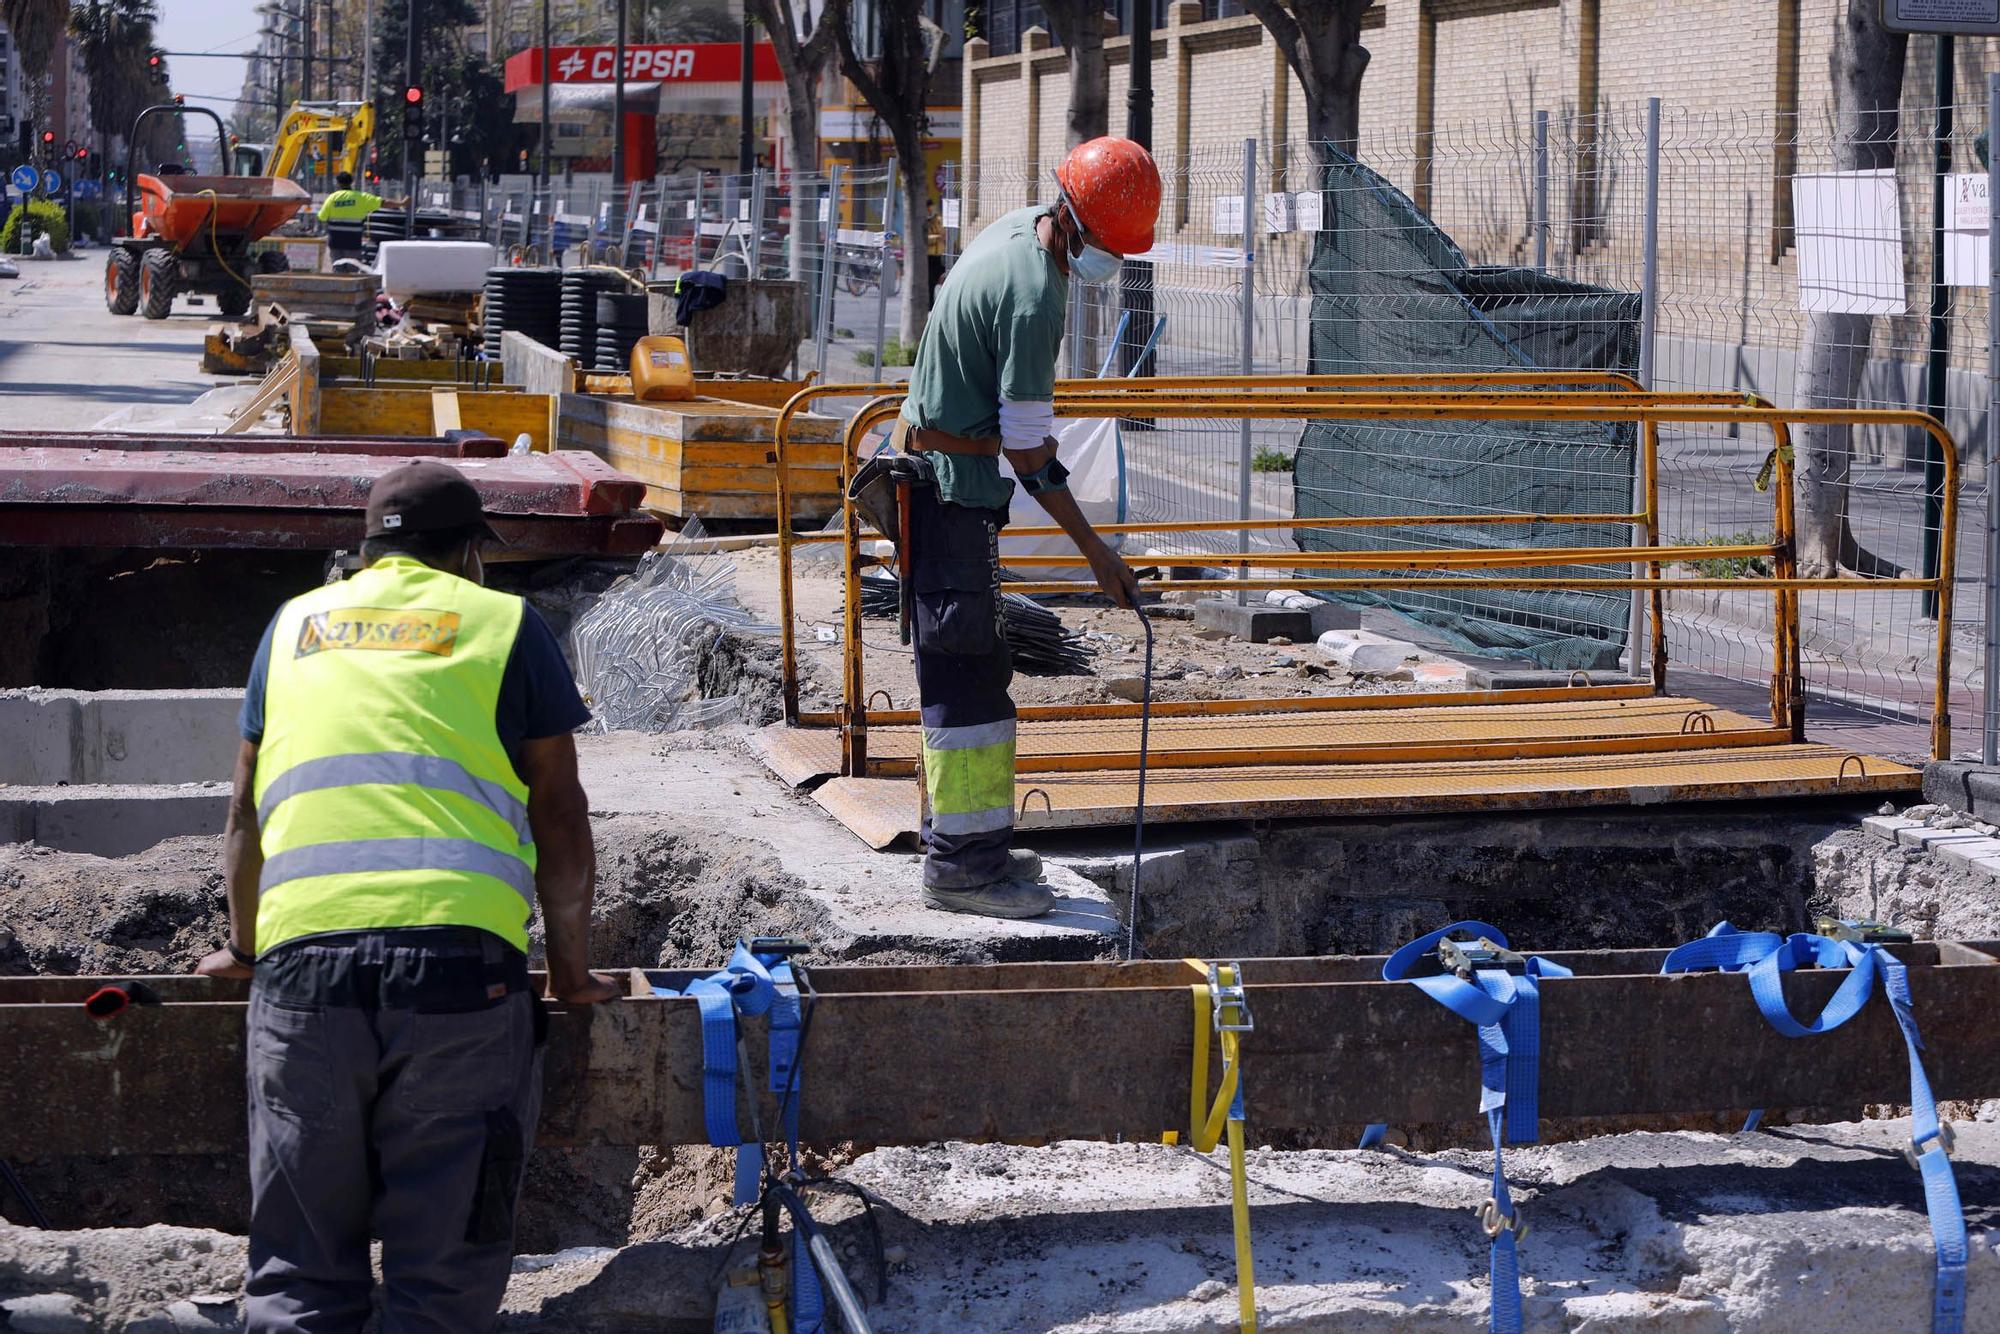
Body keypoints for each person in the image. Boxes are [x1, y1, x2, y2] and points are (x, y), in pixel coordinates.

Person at [194, 461, 622, 1333]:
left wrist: (245, 950)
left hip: (303, 981)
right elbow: (559, 811)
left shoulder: (291, 627)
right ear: (468, 552)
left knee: (300, 1278)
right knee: (444, 1279)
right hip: (461, 979)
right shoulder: (505, 623)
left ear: (365, 550)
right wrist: (570, 973)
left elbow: (243, 808)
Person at [891, 135, 1160, 920]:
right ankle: (963, 869)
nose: (1111, 262)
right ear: (1079, 227)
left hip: (935, 481)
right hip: (950, 493)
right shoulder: (1036, 297)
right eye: (1111, 248)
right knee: (969, 682)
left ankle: (964, 844)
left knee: (964, 669)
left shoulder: (1016, 229)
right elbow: (1031, 451)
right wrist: (1096, 551)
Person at [317, 172, 407, 265]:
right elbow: (383, 203)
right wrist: (401, 203)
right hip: (352, 241)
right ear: (351, 182)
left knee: (337, 268)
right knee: (353, 270)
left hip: (335, 242)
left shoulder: (332, 198)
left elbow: (322, 216)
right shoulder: (361, 197)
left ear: (338, 183)